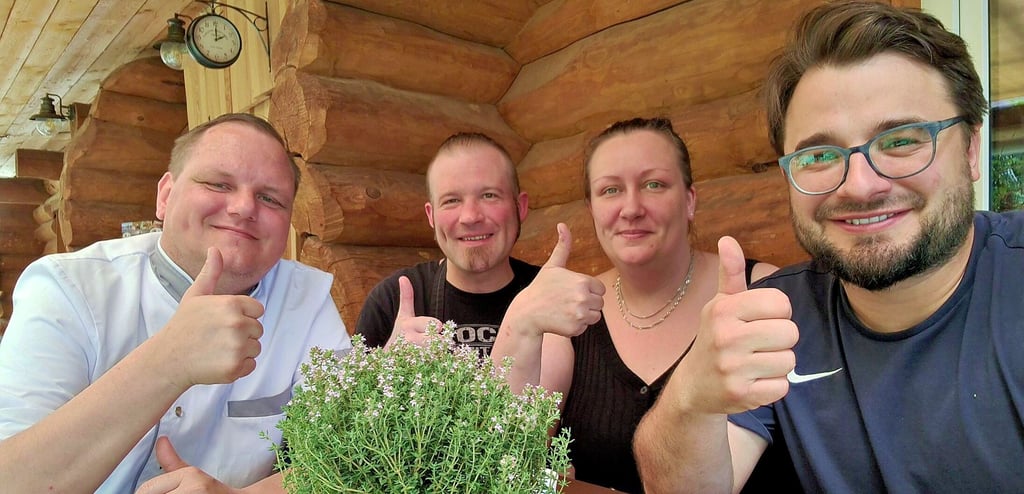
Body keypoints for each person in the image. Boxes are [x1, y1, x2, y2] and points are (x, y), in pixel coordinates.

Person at [634, 1, 1024, 492]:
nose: (859, 186)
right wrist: (691, 396)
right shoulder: (781, 314)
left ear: (971, 149)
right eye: (819, 154)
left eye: (901, 141)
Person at [0, 113, 352, 493]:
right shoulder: (66, 288)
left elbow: (346, 458)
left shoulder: (308, 299)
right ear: (165, 196)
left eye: (270, 198)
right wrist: (169, 361)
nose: (244, 207)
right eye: (219, 183)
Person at [492, 117, 776, 493]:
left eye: (653, 184)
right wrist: (521, 322)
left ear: (689, 201)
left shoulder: (762, 291)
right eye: (610, 190)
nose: (631, 208)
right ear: (591, 208)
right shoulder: (574, 313)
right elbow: (498, 452)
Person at [356, 132, 539, 356]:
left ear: (520, 207)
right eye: (451, 201)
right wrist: (388, 364)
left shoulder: (549, 297)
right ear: (431, 216)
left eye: (489, 195)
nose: (470, 217)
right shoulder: (390, 301)